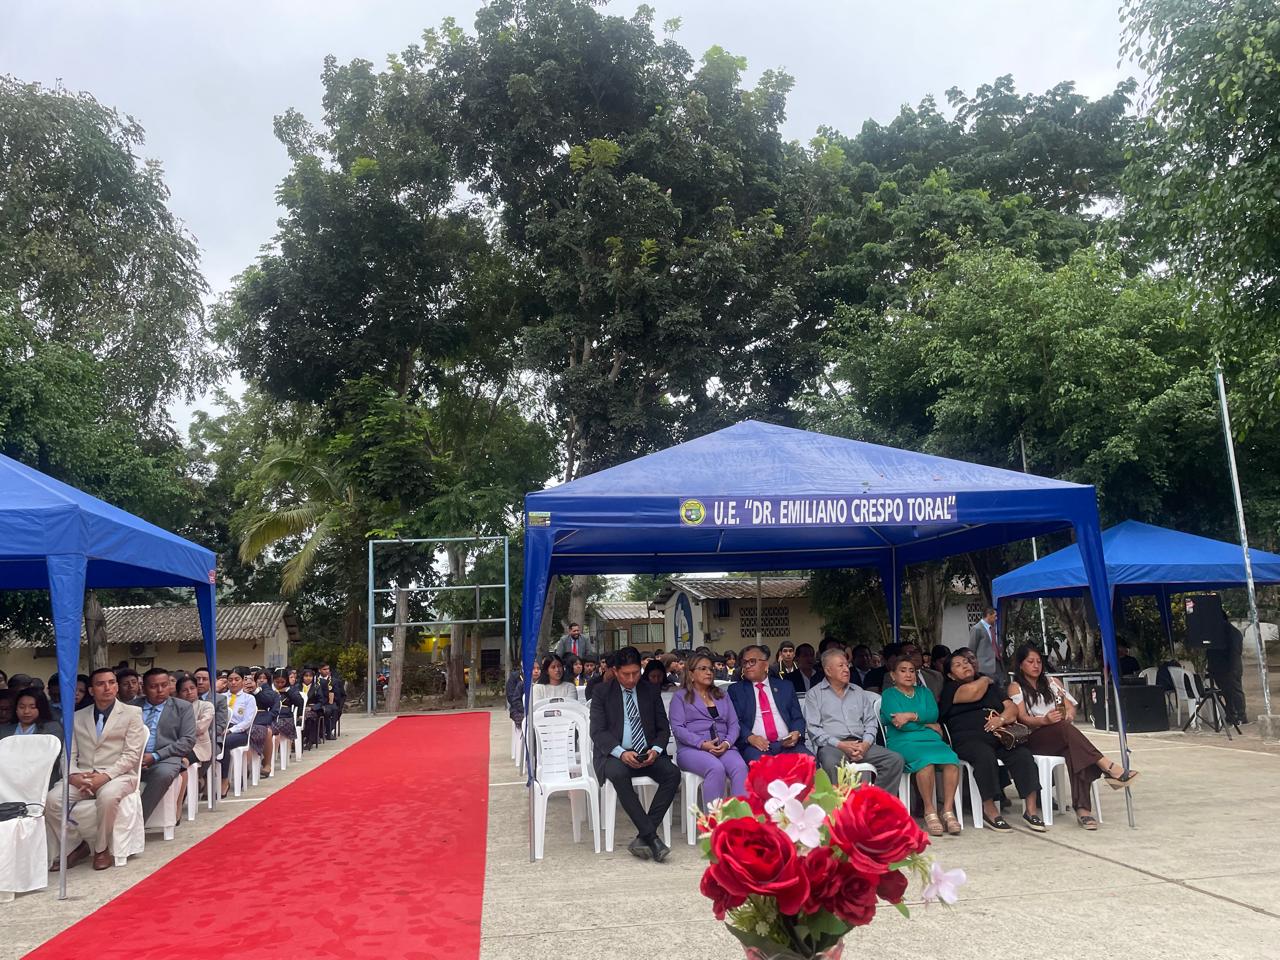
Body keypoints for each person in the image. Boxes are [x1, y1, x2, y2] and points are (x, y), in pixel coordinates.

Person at [1010, 645, 1137, 830]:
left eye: (1038, 662)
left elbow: (1069, 706)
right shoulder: (1016, 687)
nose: (1036, 666)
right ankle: (1108, 766)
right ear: (1021, 665)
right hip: (1035, 737)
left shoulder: (1052, 682)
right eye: (1030, 662)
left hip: (1061, 735)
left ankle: (1083, 810)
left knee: (1074, 753)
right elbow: (1022, 717)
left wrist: (1069, 714)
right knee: (1064, 730)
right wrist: (1044, 720)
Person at [45, 667, 148, 871]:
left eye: (111, 682)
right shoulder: (76, 716)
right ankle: (76, 845)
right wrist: (73, 775)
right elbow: (68, 754)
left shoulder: (132, 713)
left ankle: (101, 849)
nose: (107, 687)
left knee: (108, 797)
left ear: (116, 686)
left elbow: (131, 755)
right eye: (100, 684)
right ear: (91, 691)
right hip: (83, 775)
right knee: (52, 800)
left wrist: (105, 776)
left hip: (118, 775)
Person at [589, 646, 680, 862]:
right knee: (619, 774)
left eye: (636, 673)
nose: (631, 679)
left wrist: (656, 750)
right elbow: (597, 732)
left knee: (673, 774)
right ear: (615, 671)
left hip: (647, 752)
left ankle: (642, 837)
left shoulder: (650, 690)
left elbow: (663, 728)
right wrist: (621, 753)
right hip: (614, 755)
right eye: (626, 674)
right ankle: (652, 838)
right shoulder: (602, 693)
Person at [938, 653, 1044, 832]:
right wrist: (985, 679)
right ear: (950, 674)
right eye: (958, 665)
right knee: (984, 756)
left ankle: (1031, 810)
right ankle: (990, 810)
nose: (965, 665)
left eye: (966, 662)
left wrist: (1001, 719)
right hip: (968, 738)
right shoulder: (951, 689)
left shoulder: (992, 688)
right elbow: (973, 692)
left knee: (1023, 755)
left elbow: (1011, 708)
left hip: (999, 735)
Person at [878, 656, 960, 836]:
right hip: (903, 740)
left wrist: (910, 716)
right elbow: (901, 725)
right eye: (903, 670)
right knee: (925, 762)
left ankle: (947, 810)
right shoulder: (889, 694)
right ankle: (929, 810)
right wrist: (925, 724)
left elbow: (933, 714)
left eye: (912, 671)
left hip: (930, 740)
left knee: (952, 761)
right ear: (893, 675)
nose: (908, 674)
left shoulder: (925, 692)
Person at [804, 649, 903, 794]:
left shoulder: (858, 691)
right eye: (841, 666)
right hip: (833, 746)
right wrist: (841, 745)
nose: (846, 669)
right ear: (828, 671)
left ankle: (876, 803)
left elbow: (871, 722)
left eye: (847, 665)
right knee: (831, 763)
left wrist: (866, 744)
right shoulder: (814, 694)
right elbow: (814, 729)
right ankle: (840, 807)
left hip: (861, 744)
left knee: (895, 760)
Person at [668, 653, 748, 808]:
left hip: (723, 746)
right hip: (692, 749)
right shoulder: (680, 697)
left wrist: (727, 743)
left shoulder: (722, 695)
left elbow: (734, 724)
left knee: (740, 767)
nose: (709, 672)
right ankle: (714, 820)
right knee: (716, 768)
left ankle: (740, 818)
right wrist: (702, 744)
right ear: (691, 674)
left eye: (711, 669)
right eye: (703, 669)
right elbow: (678, 728)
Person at [727, 644, 809, 762]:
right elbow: (735, 721)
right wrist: (750, 737)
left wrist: (796, 733)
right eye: (744, 663)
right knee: (765, 766)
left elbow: (797, 717)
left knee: (810, 762)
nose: (747, 666)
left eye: (752, 661)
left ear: (765, 664)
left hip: (787, 744)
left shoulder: (785, 686)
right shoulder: (736, 690)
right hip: (755, 746)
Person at [136, 667, 196, 819]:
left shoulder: (183, 707)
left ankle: (138, 822)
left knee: (163, 774)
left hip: (164, 758)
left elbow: (187, 740)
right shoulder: (132, 707)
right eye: (153, 686)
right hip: (133, 758)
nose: (160, 690)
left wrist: (155, 756)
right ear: (143, 688)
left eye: (164, 685)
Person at [220, 667, 257, 797]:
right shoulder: (221, 697)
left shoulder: (249, 699)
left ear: (243, 681)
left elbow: (247, 721)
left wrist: (230, 730)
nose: (233, 682)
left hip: (239, 732)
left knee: (223, 742)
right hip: (221, 728)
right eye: (230, 680)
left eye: (237, 679)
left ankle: (224, 780)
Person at [1207, 614, 1247, 725]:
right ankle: (1230, 714)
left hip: (1231, 667)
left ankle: (1241, 715)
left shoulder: (1233, 632)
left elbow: (1235, 652)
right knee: (1226, 692)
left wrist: (1232, 668)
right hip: (1219, 668)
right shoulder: (1216, 633)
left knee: (1235, 691)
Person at [970, 607, 1005, 682]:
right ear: (988, 615)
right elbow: (972, 649)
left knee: (1001, 684)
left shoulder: (993, 628)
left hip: (997, 662)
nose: (996, 618)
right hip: (984, 666)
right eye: (995, 616)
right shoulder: (977, 629)